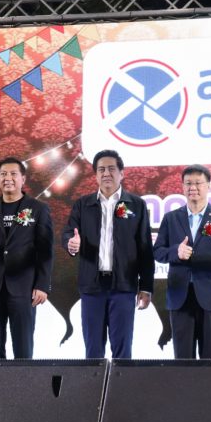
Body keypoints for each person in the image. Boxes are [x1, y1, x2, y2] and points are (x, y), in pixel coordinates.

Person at [62, 149, 154, 359]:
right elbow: (68, 233)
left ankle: (122, 383)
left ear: (122, 173)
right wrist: (71, 243)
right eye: (101, 169)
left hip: (123, 286)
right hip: (92, 287)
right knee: (93, 351)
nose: (106, 173)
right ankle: (95, 383)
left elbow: (145, 249)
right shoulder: (83, 205)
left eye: (111, 169)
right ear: (95, 175)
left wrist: (146, 286)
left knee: (122, 351)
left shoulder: (136, 205)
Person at [0, 157, 54, 359]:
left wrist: (42, 285)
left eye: (13, 174)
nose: (8, 178)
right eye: (3, 174)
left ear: (23, 179)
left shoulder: (38, 208)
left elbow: (46, 250)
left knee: (23, 348)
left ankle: (22, 382)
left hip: (24, 288)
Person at [153, 164, 211, 358]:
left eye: (198, 183)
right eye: (188, 183)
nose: (193, 187)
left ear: (208, 186)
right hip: (179, 297)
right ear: (182, 187)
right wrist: (176, 252)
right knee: (182, 360)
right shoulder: (171, 218)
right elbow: (158, 252)